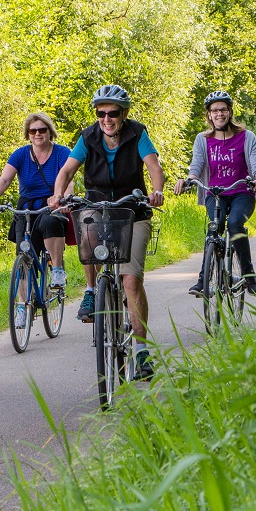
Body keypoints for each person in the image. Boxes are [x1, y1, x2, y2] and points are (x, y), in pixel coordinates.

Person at [48, 84, 166, 380]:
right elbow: (66, 171)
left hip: (132, 210)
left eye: (113, 113)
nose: (106, 119)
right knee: (87, 238)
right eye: (101, 113)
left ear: (124, 114)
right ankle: (91, 291)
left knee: (130, 279)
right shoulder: (88, 137)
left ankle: (141, 351)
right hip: (98, 208)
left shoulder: (137, 133)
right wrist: (57, 195)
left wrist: (157, 191)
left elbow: (154, 166)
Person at [173, 90, 256, 297]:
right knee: (214, 228)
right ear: (208, 115)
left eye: (223, 109)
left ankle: (248, 275)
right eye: (214, 110)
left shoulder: (247, 137)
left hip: (242, 193)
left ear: (230, 112)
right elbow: (196, 167)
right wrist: (188, 181)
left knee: (235, 224)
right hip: (215, 194)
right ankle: (203, 280)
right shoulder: (203, 139)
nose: (219, 114)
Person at [0, 112, 75, 329]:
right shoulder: (21, 155)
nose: (37, 134)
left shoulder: (62, 153)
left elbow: (68, 179)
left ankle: (58, 269)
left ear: (49, 131)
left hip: (52, 202)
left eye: (42, 130)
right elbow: (5, 178)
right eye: (33, 131)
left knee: (51, 222)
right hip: (26, 206)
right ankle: (22, 307)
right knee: (23, 259)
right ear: (28, 134)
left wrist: (62, 199)